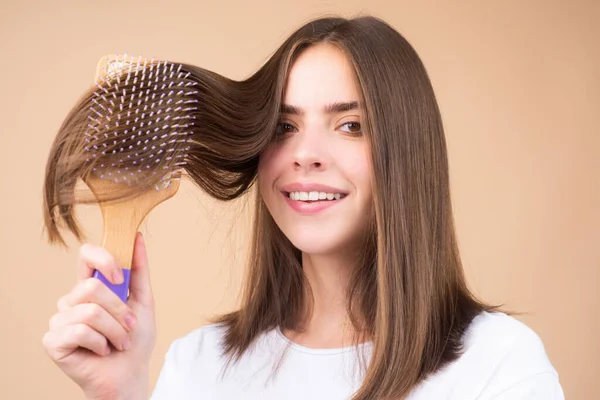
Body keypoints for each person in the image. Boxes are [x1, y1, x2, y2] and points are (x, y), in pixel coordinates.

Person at [42, 16, 565, 399]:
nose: (304, 155)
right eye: (283, 127)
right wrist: (122, 390)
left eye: (350, 125)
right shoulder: (199, 366)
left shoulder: (498, 363)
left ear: (408, 152)